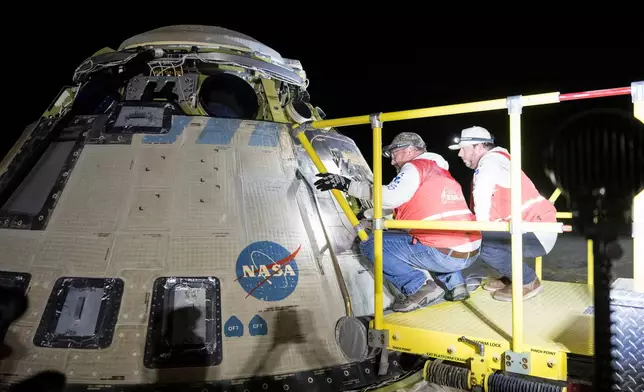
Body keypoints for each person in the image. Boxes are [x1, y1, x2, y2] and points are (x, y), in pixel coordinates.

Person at [315, 132, 481, 312]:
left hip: (444, 253)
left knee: (372, 244)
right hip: (470, 249)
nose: (393, 162)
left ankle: (418, 287)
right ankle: (456, 286)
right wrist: (370, 215)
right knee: (434, 238)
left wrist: (347, 185)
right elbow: (408, 207)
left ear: (409, 150)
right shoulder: (439, 171)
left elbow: (392, 197)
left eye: (394, 155)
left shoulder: (415, 167)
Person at [448, 126, 558, 301]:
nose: (460, 154)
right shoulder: (500, 160)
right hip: (535, 225)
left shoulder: (490, 162)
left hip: (535, 229)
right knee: (488, 240)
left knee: (484, 245)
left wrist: (479, 229)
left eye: (463, 148)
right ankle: (512, 277)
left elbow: (482, 193)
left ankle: (528, 281)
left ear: (478, 147)